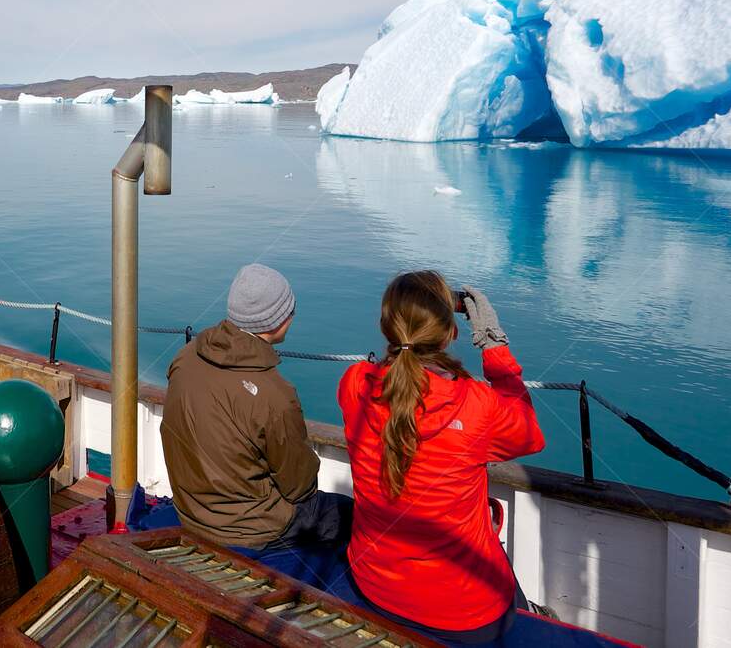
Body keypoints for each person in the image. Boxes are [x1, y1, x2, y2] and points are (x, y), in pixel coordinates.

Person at [334, 271, 543, 645]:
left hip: (375, 586)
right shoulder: (478, 405)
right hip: (466, 612)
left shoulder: (355, 385)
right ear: (450, 334)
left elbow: (401, 391)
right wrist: (494, 345)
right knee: (501, 568)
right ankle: (530, 615)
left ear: (387, 328)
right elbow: (529, 434)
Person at [161, 264, 349, 582]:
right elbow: (299, 486)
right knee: (348, 515)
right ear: (276, 322)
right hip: (249, 529)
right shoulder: (274, 393)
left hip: (190, 510)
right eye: (290, 309)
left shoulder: (186, 355)